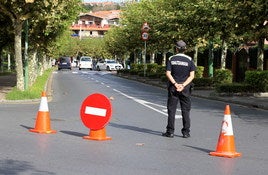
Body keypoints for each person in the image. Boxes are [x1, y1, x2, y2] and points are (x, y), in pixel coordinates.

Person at [162, 40, 196, 138]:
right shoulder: (189, 59)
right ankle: (186, 132)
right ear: (185, 49)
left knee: (171, 110)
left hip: (173, 88)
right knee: (185, 110)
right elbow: (192, 76)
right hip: (185, 89)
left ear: (176, 48)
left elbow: (168, 73)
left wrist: (176, 84)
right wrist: (183, 85)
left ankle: (170, 131)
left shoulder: (171, 59)